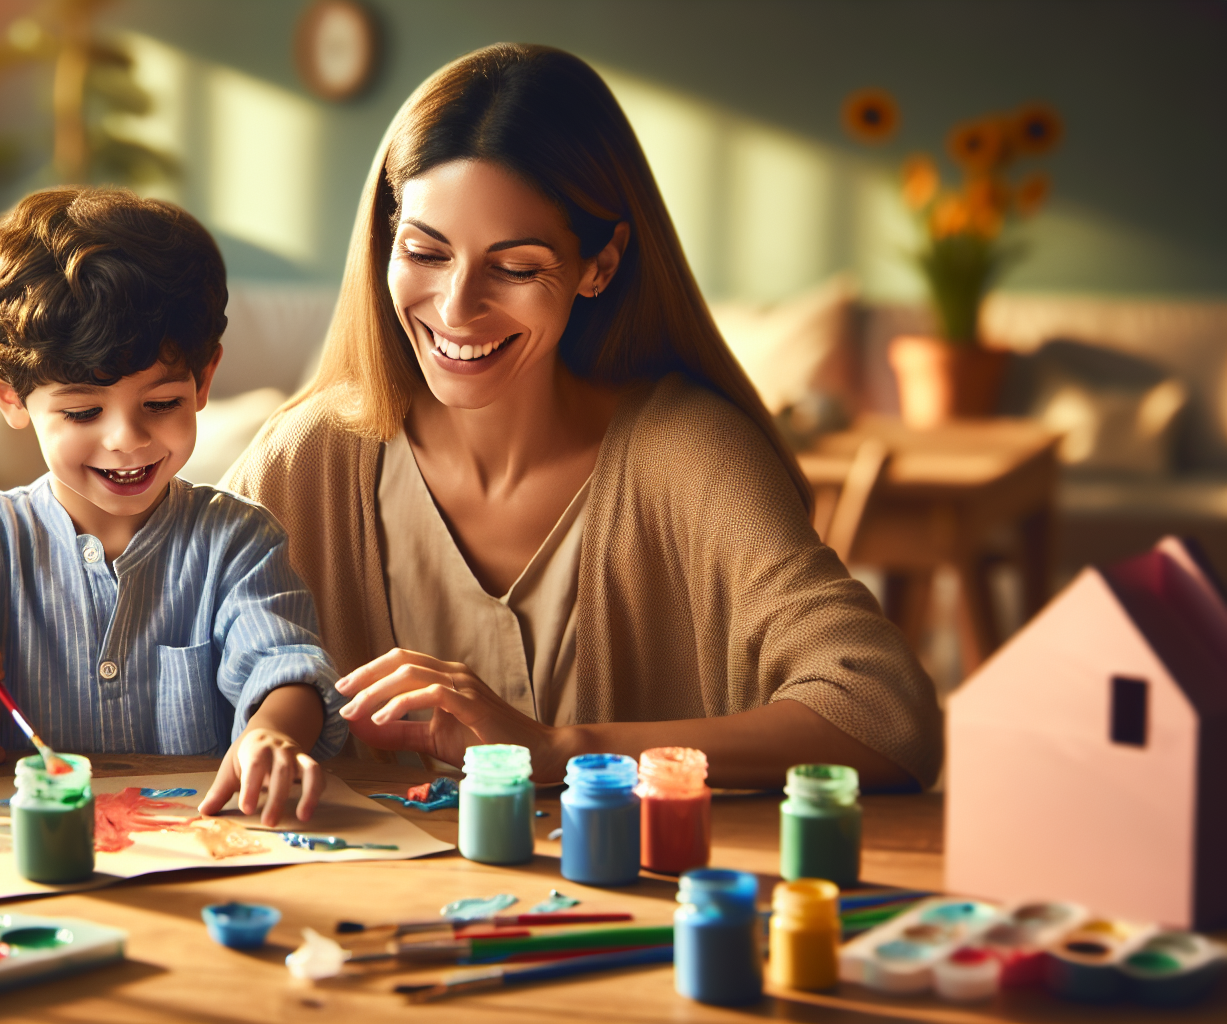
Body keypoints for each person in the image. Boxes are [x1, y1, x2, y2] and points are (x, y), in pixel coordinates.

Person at [223, 44, 942, 790]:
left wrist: (562, 748)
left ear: (599, 264)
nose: (457, 307)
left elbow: (887, 712)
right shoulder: (305, 459)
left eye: (516, 266)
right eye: (425, 252)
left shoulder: (689, 454)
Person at [0, 187, 346, 825]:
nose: (127, 439)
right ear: (8, 396)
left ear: (204, 381)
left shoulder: (237, 540)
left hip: (196, 854)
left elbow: (285, 666)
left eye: (162, 403)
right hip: (18, 859)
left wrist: (274, 733)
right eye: (83, 411)